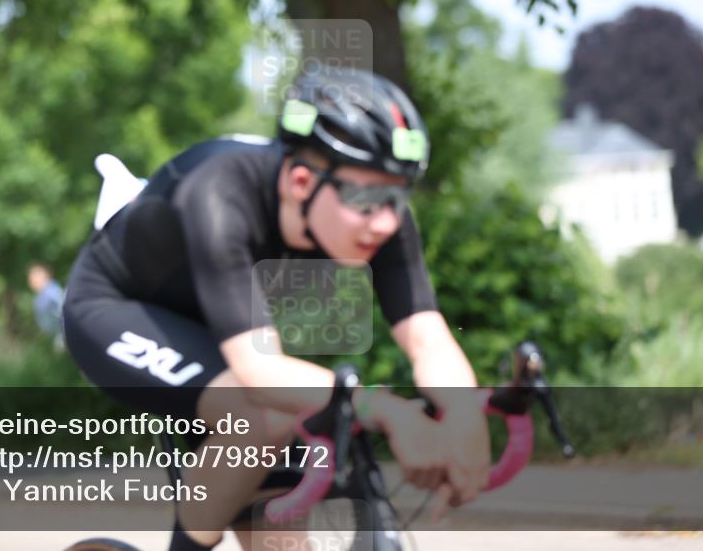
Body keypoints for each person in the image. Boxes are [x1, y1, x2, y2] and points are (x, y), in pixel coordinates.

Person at [62, 67, 490, 551]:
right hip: (117, 308)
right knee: (261, 417)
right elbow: (258, 369)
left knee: (281, 533)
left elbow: (427, 336)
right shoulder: (220, 191)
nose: (386, 221)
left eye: (397, 197)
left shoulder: (377, 214)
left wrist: (464, 415)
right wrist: (387, 410)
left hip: (220, 324)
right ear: (302, 181)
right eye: (368, 200)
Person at [27, 263, 65, 346]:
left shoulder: (51, 293)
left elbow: (64, 311)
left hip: (63, 337)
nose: (32, 279)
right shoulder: (42, 296)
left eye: (36, 275)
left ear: (47, 275)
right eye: (30, 276)